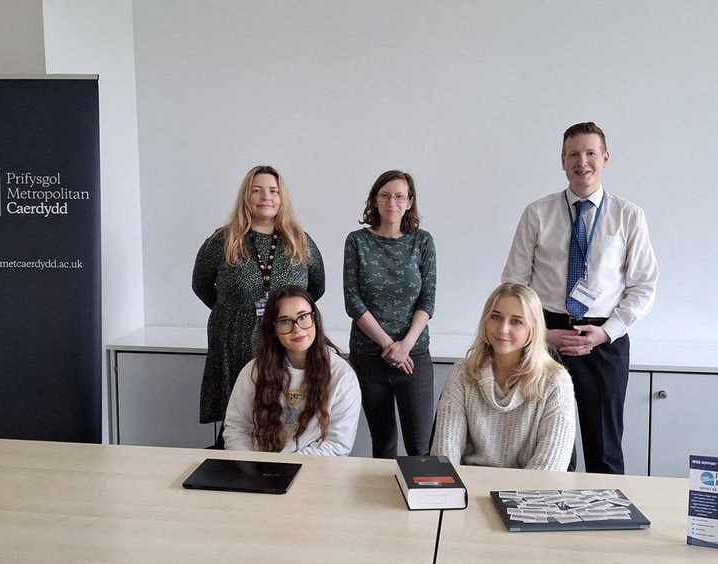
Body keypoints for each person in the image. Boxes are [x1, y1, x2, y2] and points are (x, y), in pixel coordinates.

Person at [502, 122, 658, 474]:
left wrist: (606, 332)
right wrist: (539, 334)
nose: (582, 161)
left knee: (604, 449)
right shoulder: (537, 213)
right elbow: (514, 284)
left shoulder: (628, 215)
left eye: (590, 153)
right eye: (573, 154)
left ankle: (606, 526)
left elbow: (644, 285)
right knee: (549, 449)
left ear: (605, 158)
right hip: (545, 335)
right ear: (562, 160)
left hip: (605, 338)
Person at [192, 166, 325, 447]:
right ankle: (230, 468)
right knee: (238, 416)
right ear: (246, 196)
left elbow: (316, 288)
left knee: (280, 413)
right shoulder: (223, 240)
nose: (266, 196)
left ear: (281, 197)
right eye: (257, 190)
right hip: (234, 340)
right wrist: (234, 310)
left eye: (273, 191)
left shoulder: (299, 240)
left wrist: (288, 318)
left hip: (284, 339)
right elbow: (200, 284)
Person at [431, 283, 575, 470]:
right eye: (496, 317)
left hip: (528, 495)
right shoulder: (462, 373)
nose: (502, 329)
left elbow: (549, 471)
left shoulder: (555, 381)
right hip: (468, 489)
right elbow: (444, 455)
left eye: (516, 321)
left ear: (533, 329)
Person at [343, 170, 436, 458]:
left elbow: (427, 299)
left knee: (420, 447)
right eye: (384, 195)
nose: (391, 201)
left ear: (410, 202)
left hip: (414, 356)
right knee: (382, 446)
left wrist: (405, 346)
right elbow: (353, 301)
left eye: (399, 196)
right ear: (374, 200)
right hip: (370, 355)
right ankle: (382, 505)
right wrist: (387, 345)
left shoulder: (422, 242)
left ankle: (421, 503)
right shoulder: (357, 241)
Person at [224, 286, 361, 455]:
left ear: (315, 319)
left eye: (303, 317)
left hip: (314, 472)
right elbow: (236, 429)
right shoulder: (253, 371)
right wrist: (252, 466)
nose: (297, 329)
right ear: (273, 329)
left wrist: (284, 467)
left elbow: (338, 444)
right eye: (284, 321)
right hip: (258, 472)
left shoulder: (342, 376)